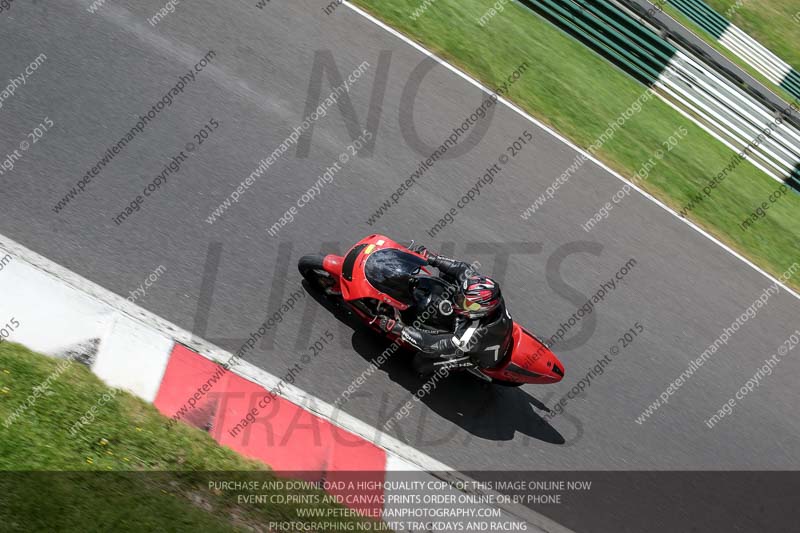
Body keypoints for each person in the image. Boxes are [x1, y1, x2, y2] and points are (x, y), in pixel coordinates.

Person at [373, 245, 513, 375]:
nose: (459, 301)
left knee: (420, 364)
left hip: (477, 353)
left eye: (467, 303)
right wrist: (432, 258)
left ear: (482, 310)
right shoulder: (487, 293)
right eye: (462, 298)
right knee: (447, 276)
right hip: (491, 328)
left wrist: (399, 329)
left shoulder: (470, 335)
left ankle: (466, 365)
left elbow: (432, 345)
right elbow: (461, 269)